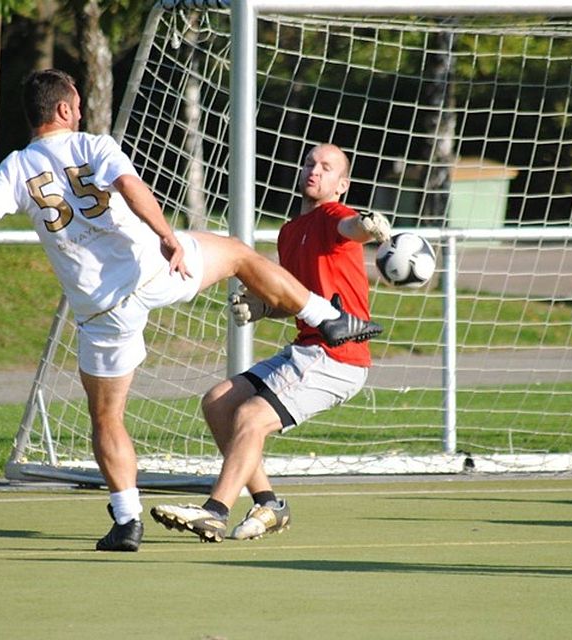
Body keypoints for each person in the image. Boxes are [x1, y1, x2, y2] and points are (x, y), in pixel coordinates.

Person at [0, 71, 383, 553]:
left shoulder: (15, 168)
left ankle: (127, 520)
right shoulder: (93, 145)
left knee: (106, 417)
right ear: (64, 109)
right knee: (236, 253)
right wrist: (169, 235)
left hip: (101, 309)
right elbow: (130, 187)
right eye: (77, 103)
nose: (80, 110)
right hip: (153, 270)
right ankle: (326, 316)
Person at [150, 143, 391, 542]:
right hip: (306, 349)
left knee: (251, 418)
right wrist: (265, 308)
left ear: (342, 185)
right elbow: (296, 297)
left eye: (327, 168)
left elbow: (354, 228)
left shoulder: (337, 216)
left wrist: (371, 226)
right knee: (218, 402)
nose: (314, 170)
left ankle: (214, 512)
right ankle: (269, 504)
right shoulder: (290, 231)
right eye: (309, 163)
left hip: (337, 358)